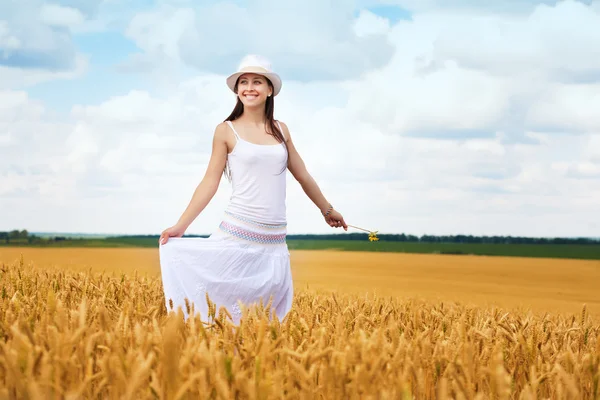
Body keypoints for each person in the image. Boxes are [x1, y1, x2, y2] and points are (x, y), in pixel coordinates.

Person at [158, 54, 347, 324]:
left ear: (270, 90)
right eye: (243, 82)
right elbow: (209, 182)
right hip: (238, 236)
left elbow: (302, 174)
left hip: (274, 241)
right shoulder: (226, 131)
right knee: (224, 315)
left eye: (257, 82)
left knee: (264, 321)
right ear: (236, 90)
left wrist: (327, 210)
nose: (249, 87)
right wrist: (181, 225)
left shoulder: (281, 130)